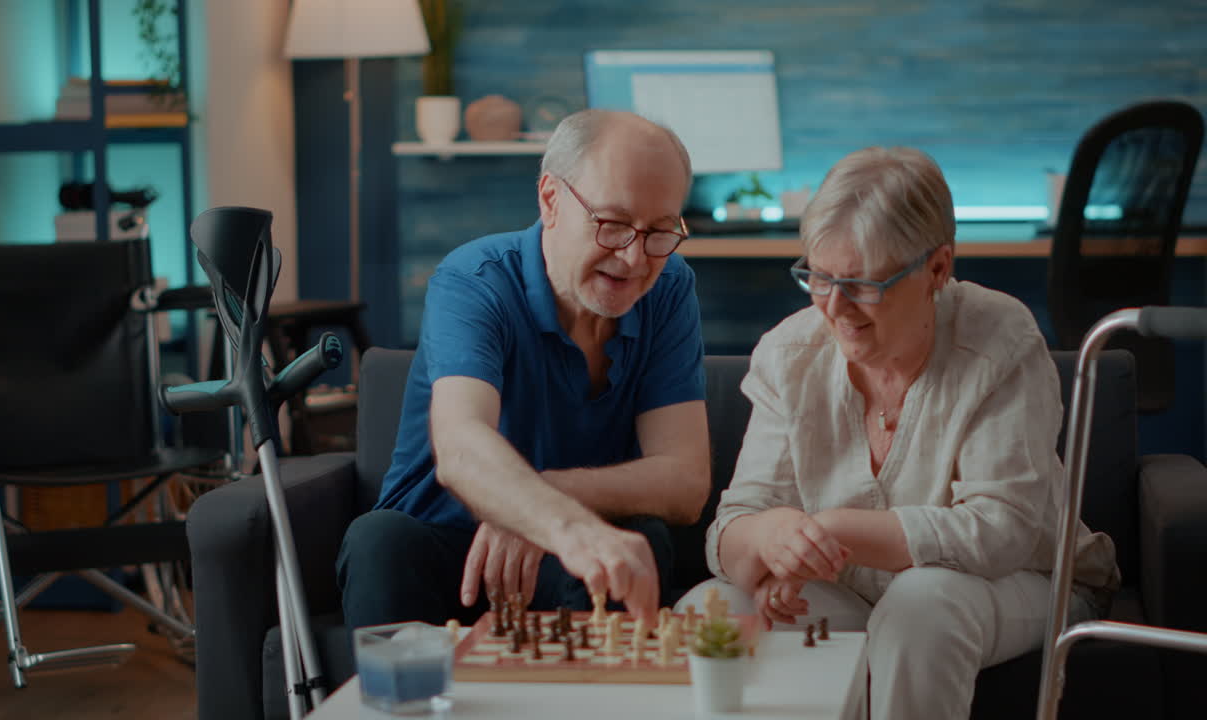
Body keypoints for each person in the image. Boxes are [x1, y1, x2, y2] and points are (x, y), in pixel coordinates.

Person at [680, 146, 1119, 718]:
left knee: (922, 604)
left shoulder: (1000, 339)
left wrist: (828, 531)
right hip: (854, 590)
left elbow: (1002, 529)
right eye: (817, 277)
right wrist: (770, 545)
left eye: (863, 284)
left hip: (1022, 581)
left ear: (937, 268)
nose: (835, 308)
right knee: (708, 607)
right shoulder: (789, 352)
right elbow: (736, 522)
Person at [337, 110, 711, 632]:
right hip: (444, 548)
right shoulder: (474, 280)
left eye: (660, 231)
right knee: (378, 539)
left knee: (644, 539)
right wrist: (554, 519)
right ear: (551, 200)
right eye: (613, 224)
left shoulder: (668, 287)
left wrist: (544, 508)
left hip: (570, 559)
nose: (633, 259)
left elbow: (686, 482)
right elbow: (462, 447)